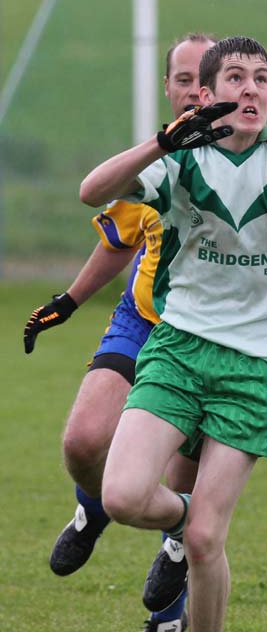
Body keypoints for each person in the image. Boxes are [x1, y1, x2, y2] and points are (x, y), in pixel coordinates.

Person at [78, 35, 267, 632]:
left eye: (261, 78)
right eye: (236, 77)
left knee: (209, 541)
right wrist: (162, 141)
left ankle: (196, 544)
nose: (251, 89)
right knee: (122, 497)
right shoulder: (183, 155)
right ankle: (186, 515)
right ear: (206, 94)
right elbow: (92, 191)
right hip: (180, 348)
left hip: (257, 366)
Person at [23, 32, 219, 632]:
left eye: (204, 79)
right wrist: (70, 299)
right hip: (139, 323)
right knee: (84, 442)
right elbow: (119, 236)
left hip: (204, 342)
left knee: (176, 492)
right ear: (168, 86)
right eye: (182, 78)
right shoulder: (153, 160)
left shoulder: (257, 160)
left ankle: (168, 604)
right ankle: (94, 507)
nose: (193, 89)